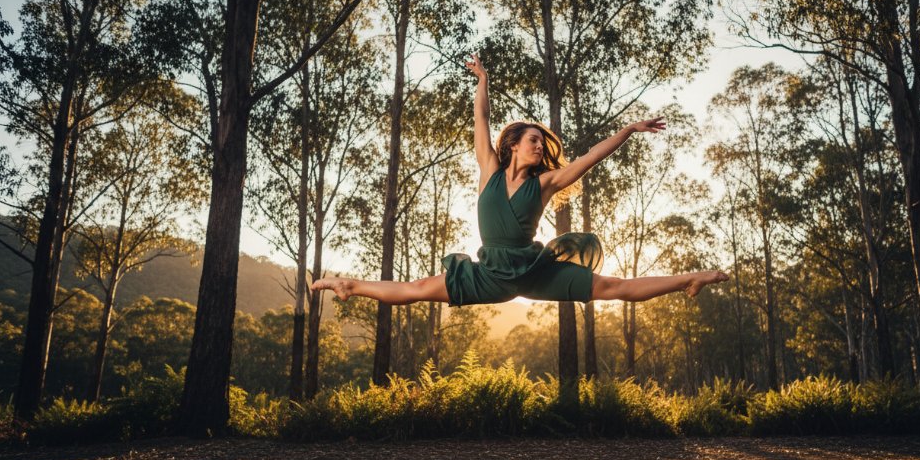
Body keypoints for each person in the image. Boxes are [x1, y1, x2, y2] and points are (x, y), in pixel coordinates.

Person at [311, 53, 729, 305]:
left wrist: (627, 130)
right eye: (532, 141)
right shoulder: (489, 169)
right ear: (512, 144)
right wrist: (483, 81)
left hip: (532, 272)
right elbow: (482, 117)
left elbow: (589, 159)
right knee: (419, 287)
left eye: (541, 146)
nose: (539, 148)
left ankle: (688, 279)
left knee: (610, 288)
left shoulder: (544, 184)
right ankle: (351, 285)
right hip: (489, 274)